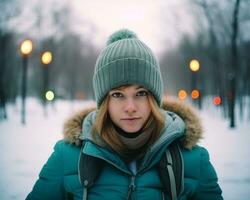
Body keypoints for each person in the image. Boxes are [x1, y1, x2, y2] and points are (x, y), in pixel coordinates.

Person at [26, 29, 223, 200]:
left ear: (154, 98)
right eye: (118, 94)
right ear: (104, 102)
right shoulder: (68, 156)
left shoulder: (193, 160)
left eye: (141, 93)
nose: (130, 107)